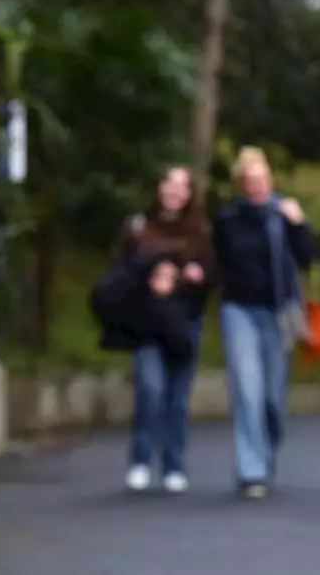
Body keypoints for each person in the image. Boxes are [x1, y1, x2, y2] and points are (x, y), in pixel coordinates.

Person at [211, 147, 313, 499]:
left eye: (262, 180)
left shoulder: (282, 214)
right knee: (247, 389)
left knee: (272, 395)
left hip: (278, 311)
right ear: (241, 184)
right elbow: (218, 262)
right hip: (239, 310)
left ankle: (266, 449)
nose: (257, 186)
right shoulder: (228, 219)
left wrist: (298, 224)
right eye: (250, 181)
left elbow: (307, 258)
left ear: (270, 181)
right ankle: (250, 470)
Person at [110, 166, 214, 494]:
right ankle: (140, 461)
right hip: (147, 321)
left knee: (177, 398)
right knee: (150, 389)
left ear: (189, 195)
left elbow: (211, 277)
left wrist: (187, 278)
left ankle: (174, 465)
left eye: (182, 187)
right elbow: (119, 273)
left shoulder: (200, 232)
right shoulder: (138, 227)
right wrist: (149, 278)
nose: (174, 192)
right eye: (169, 184)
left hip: (184, 322)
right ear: (159, 188)